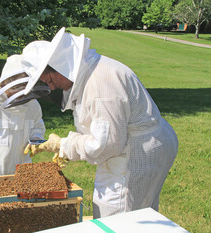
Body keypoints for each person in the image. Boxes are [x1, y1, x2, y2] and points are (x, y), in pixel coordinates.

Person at [20, 27, 179, 218]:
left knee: (117, 215)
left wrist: (65, 145)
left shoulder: (99, 83)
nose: (52, 86)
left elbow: (107, 145)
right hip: (140, 144)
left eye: (51, 79)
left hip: (136, 152)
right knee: (140, 214)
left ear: (62, 65)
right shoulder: (92, 72)